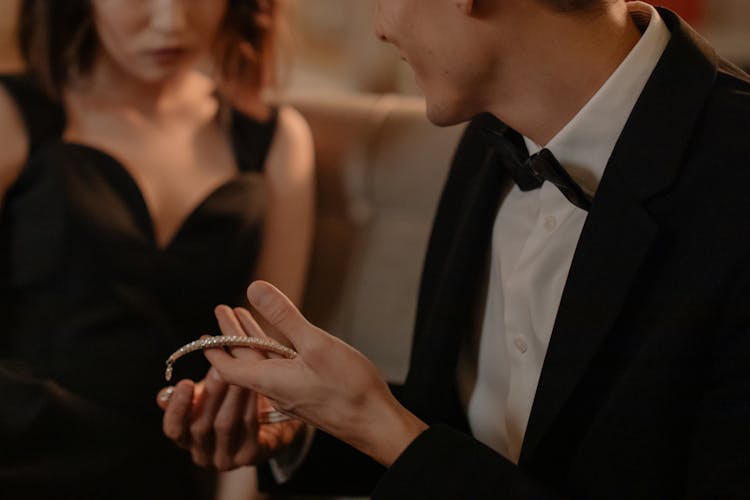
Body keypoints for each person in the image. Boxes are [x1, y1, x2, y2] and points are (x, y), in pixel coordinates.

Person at [163, 0, 750, 498]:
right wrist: (309, 424)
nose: (379, 26)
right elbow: (456, 438)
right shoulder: (487, 133)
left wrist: (380, 425)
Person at [0, 0, 314, 499]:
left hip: (172, 470)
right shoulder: (12, 115)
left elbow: (264, 380)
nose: (171, 21)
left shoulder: (277, 142)